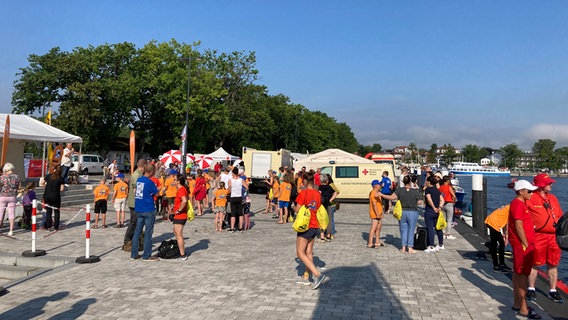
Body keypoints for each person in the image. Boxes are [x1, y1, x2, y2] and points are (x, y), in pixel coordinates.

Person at [526, 173, 565, 303]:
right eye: (548, 183)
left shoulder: (553, 198)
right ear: (541, 185)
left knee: (553, 264)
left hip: (553, 237)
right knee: (534, 264)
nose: (551, 184)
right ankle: (531, 289)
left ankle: (553, 290)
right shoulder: (530, 198)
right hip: (538, 236)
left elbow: (560, 216)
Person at [509, 180, 541, 319]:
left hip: (522, 244)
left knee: (518, 273)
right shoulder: (518, 204)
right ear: (521, 191)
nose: (531, 193)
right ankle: (523, 307)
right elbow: (518, 225)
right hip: (523, 245)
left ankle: (517, 303)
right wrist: (526, 243)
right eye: (529, 191)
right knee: (523, 275)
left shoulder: (520, 204)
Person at [294, 170, 328, 290]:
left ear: (304, 180)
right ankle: (306, 276)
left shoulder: (303, 193)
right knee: (309, 252)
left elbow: (297, 209)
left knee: (300, 252)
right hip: (314, 224)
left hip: (305, 225)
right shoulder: (318, 194)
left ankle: (317, 275)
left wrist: (294, 206)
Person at [379, 175, 423, 253]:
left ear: (403, 182)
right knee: (411, 230)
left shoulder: (399, 190)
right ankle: (410, 248)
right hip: (413, 212)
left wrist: (381, 195)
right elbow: (420, 202)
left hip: (402, 212)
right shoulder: (414, 191)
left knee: (403, 230)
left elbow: (391, 197)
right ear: (410, 182)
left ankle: (403, 247)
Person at [131, 164, 159, 261]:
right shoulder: (149, 182)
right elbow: (157, 193)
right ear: (151, 172)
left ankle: (134, 254)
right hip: (148, 209)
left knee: (137, 232)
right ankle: (146, 255)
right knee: (148, 233)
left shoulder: (139, 180)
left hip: (139, 208)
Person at [123, 158, 146, 249]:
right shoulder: (137, 175)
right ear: (143, 166)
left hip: (136, 202)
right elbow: (136, 189)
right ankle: (127, 240)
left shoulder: (139, 174)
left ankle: (138, 241)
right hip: (135, 203)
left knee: (137, 222)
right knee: (133, 222)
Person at [485, 205, 512, 272]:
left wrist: (504, 234)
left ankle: (501, 264)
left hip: (491, 221)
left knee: (500, 244)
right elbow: (508, 223)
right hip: (493, 224)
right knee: (498, 244)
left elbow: (504, 220)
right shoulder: (512, 209)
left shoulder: (508, 207)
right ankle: (496, 266)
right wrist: (506, 236)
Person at [423, 175, 445, 253]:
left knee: (430, 228)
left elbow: (429, 199)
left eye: (426, 181)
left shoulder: (428, 190)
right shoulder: (437, 190)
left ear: (429, 182)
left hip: (430, 210)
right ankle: (441, 244)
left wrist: (433, 207)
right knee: (438, 227)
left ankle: (431, 246)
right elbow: (442, 200)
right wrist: (439, 207)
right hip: (437, 211)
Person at [0, 163, 22, 236]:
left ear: (5, 170)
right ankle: (11, 230)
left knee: (1, 213)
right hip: (12, 197)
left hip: (2, 196)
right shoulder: (17, 177)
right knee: (11, 213)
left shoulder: (2, 177)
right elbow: (19, 188)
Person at [42, 166, 65, 231]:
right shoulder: (61, 178)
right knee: (56, 211)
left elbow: (42, 183)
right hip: (55, 196)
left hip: (47, 195)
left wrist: (46, 187)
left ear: (54, 169)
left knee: (48, 211)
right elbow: (62, 189)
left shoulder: (49, 175)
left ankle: (48, 226)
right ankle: (56, 226)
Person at [171, 174, 189, 261]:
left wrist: (179, 210)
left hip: (181, 215)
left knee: (179, 234)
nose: (173, 181)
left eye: (175, 179)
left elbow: (184, 201)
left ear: (178, 181)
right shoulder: (180, 189)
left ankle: (183, 254)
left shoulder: (181, 189)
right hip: (178, 214)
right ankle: (180, 249)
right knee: (176, 232)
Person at [227, 167, 248, 232]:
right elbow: (247, 187)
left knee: (233, 213)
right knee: (240, 213)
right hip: (239, 197)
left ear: (233, 173)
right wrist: (243, 192)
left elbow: (229, 190)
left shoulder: (230, 180)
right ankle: (240, 227)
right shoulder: (241, 180)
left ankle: (232, 228)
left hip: (233, 197)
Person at [319, 174, 338, 242]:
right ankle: (328, 235)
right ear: (327, 181)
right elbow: (336, 193)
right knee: (329, 220)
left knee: (321, 219)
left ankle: (322, 236)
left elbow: (319, 194)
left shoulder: (319, 187)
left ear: (320, 181)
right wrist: (330, 200)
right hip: (329, 205)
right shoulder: (329, 187)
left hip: (321, 205)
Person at [367, 180, 384, 248]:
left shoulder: (378, 192)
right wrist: (377, 214)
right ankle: (370, 243)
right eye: (379, 185)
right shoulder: (373, 193)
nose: (380, 186)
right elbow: (374, 204)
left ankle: (377, 242)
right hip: (375, 213)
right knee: (374, 227)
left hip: (379, 213)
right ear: (376, 186)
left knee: (379, 227)